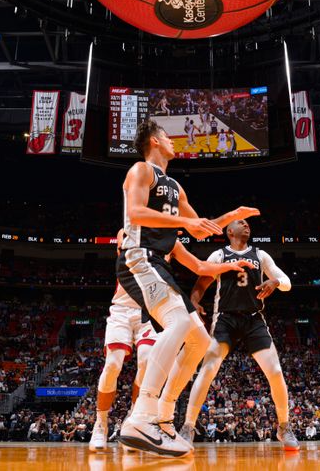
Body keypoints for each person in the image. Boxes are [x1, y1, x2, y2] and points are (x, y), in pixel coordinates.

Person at [116, 118, 259, 457]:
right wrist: (184, 221)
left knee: (199, 340)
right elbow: (135, 213)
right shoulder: (140, 170)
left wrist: (230, 216)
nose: (173, 141)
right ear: (153, 140)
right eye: (166, 135)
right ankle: (141, 416)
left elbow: (199, 230)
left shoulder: (175, 186)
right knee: (179, 323)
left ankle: (164, 417)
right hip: (139, 258)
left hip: (160, 265)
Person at [179, 219, 299, 451]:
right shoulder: (219, 255)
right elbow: (201, 284)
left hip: (254, 319)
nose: (246, 225)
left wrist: (274, 281)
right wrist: (195, 302)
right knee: (208, 370)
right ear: (229, 231)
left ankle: (284, 426)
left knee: (275, 371)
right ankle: (188, 426)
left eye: (247, 223)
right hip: (225, 319)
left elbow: (287, 282)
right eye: (240, 223)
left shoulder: (260, 254)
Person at [90, 229, 159, 451]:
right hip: (120, 311)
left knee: (148, 360)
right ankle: (100, 423)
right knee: (112, 364)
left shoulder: (160, 245)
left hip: (145, 313)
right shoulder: (127, 232)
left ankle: (132, 421)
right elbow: (122, 237)